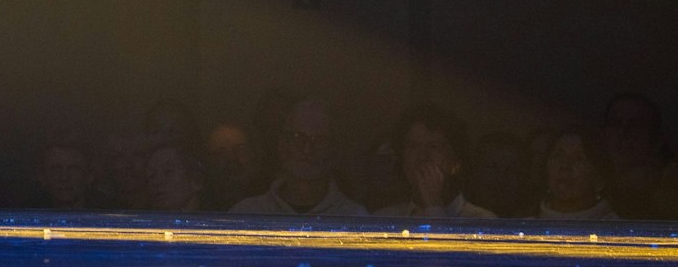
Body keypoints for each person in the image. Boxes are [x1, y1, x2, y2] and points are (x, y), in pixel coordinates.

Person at [231, 97, 368, 216]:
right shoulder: (248, 213)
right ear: (282, 145)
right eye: (298, 137)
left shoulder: (355, 217)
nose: (307, 149)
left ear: (333, 150)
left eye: (319, 139)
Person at [373, 104, 496, 219]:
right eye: (413, 146)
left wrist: (434, 206)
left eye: (434, 147)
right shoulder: (384, 218)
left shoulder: (481, 219)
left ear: (455, 163)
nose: (422, 156)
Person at [538, 127, 620, 221]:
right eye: (558, 156)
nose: (565, 166)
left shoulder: (624, 232)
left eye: (578, 158)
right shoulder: (522, 230)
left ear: (599, 180)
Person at [33, 135, 96, 211]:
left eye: (73, 169)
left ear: (89, 176)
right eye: (56, 170)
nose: (64, 178)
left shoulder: (111, 214)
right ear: (42, 177)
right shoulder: (25, 213)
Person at [142, 143, 206, 212]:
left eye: (168, 171)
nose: (156, 182)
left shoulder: (216, 218)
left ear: (196, 180)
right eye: (152, 176)